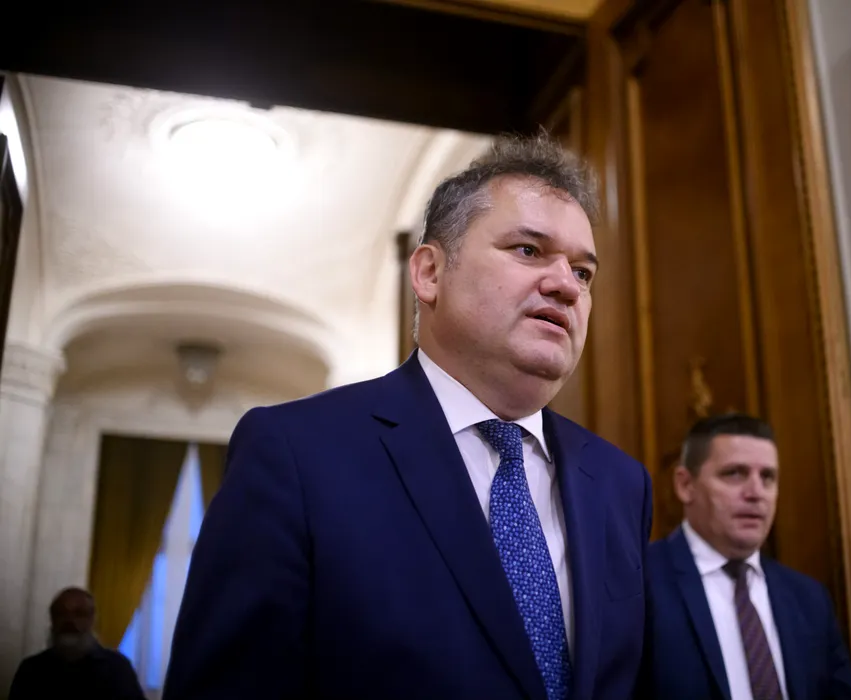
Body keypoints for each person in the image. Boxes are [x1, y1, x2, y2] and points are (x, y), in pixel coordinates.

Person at [163, 133, 653, 700]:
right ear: (429, 274)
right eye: (527, 250)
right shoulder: (295, 454)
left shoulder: (620, 483)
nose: (566, 285)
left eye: (584, 273)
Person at [642, 414, 851, 700]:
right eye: (735, 473)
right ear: (685, 485)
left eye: (767, 477)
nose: (756, 493)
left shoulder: (809, 599)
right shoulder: (637, 582)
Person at [9, 587, 145, 700]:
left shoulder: (117, 668)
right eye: (61, 613)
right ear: (52, 620)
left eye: (79, 614)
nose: (69, 621)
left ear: (92, 619)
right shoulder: (31, 669)